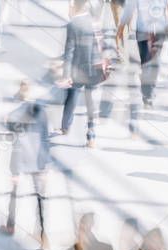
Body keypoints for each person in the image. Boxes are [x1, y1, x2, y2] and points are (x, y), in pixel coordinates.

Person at [2, 81, 50, 247]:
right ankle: (43, 234)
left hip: (21, 160)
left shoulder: (17, 112)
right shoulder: (42, 112)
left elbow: (11, 129)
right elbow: (45, 138)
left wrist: (14, 169)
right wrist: (45, 164)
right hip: (38, 160)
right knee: (40, 198)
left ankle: (10, 226)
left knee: (14, 195)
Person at [59, 0, 106, 145]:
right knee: (91, 100)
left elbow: (69, 52)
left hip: (77, 69)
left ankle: (65, 126)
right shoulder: (95, 22)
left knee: (71, 97)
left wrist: (66, 75)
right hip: (94, 68)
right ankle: (91, 134)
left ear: (74, 7)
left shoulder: (73, 25)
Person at [117, 0, 168, 109]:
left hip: (160, 30)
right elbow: (130, 7)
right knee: (146, 63)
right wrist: (122, 26)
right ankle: (147, 93)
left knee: (155, 62)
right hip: (143, 31)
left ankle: (149, 92)